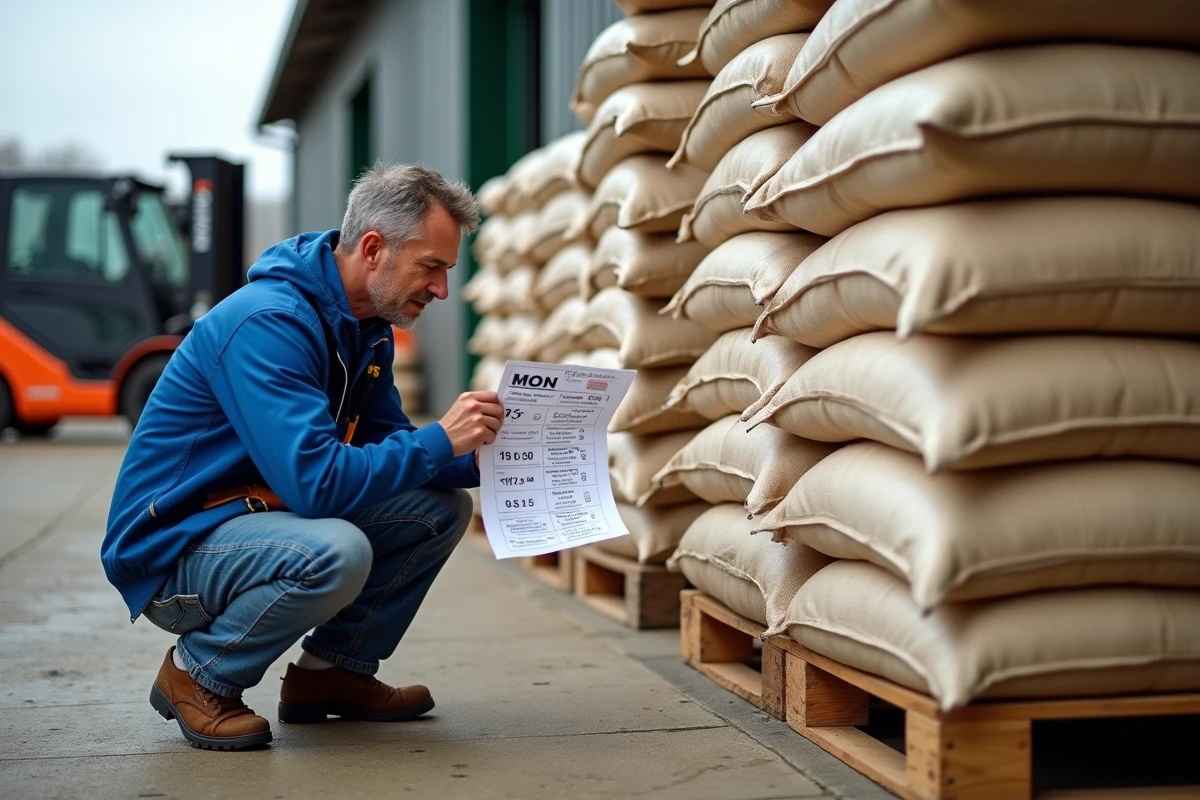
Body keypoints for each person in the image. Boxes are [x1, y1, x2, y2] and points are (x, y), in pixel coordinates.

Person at [101, 164, 504, 751]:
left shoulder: (364, 328)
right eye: (432, 267)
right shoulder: (270, 323)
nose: (441, 289)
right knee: (337, 552)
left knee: (436, 509)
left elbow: (384, 441)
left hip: (249, 520)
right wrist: (442, 437)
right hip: (173, 549)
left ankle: (331, 675)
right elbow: (316, 484)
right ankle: (198, 674)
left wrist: (483, 462)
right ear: (373, 249)